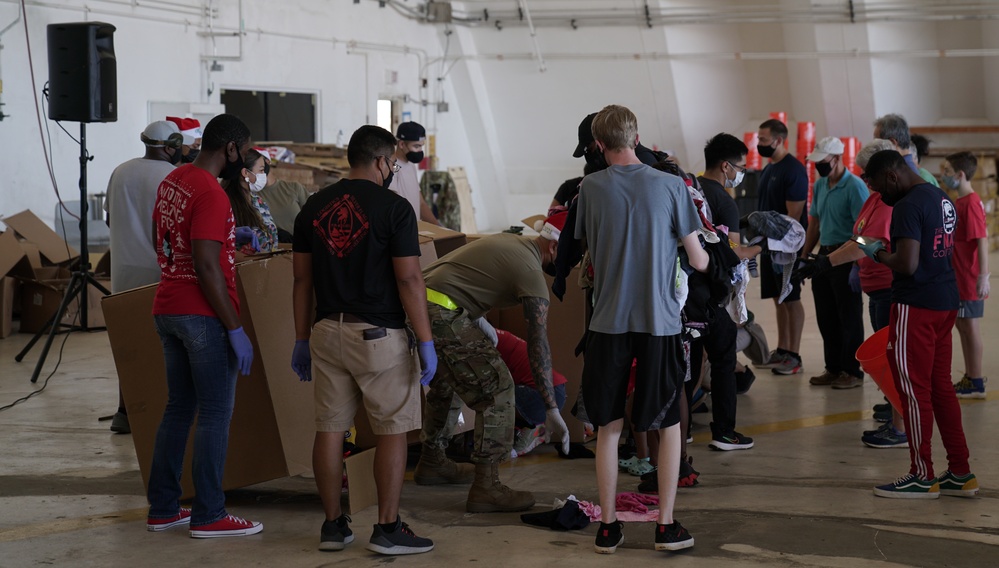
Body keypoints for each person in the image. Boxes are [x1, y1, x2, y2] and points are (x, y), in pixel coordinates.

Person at [291, 125, 436, 555]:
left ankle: (333, 526)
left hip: (325, 331)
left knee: (330, 429)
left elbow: (301, 280)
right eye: (392, 161)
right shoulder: (395, 208)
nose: (393, 167)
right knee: (393, 430)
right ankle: (388, 529)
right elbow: (409, 277)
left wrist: (301, 338)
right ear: (380, 160)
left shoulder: (312, 208)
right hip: (378, 336)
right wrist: (426, 340)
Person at [575, 105, 708, 554]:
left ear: (597, 144)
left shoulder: (589, 188)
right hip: (660, 324)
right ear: (636, 137)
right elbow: (699, 259)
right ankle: (665, 526)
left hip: (607, 323)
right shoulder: (672, 186)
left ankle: (609, 527)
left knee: (609, 428)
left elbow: (592, 250)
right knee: (667, 425)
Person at [147, 113, 263, 537]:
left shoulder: (173, 180)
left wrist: (233, 238)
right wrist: (234, 328)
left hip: (168, 307)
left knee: (179, 409)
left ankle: (163, 507)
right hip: (203, 316)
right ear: (229, 148)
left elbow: (166, 237)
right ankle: (210, 513)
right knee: (215, 413)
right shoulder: (212, 193)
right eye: (244, 150)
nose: (246, 159)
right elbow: (206, 266)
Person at [416, 218, 571, 513]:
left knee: (449, 379)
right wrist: (551, 408)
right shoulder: (530, 271)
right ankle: (487, 487)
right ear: (554, 246)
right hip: (439, 311)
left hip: (419, 303)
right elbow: (538, 344)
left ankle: (433, 460)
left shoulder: (514, 244)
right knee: (497, 388)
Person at [858, 150, 978, 499]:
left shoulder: (908, 206)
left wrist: (877, 252)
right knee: (941, 389)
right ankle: (960, 470)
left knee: (912, 391)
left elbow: (907, 264)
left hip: (916, 305)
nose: (878, 194)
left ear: (892, 176)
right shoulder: (939, 197)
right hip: (945, 301)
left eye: (878, 185)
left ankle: (921, 475)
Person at [796, 139, 908, 447]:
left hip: (885, 284)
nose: (866, 179)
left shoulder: (885, 199)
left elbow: (867, 239)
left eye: (869, 173)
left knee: (890, 355)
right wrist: (813, 257)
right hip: (867, 278)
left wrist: (829, 261)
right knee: (871, 344)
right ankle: (892, 411)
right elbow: (857, 235)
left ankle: (899, 426)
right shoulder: (873, 196)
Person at [103, 120, 183, 434]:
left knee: (128, 345)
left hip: (122, 275)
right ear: (170, 146)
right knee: (165, 348)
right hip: (159, 274)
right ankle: (157, 413)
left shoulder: (120, 171)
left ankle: (124, 413)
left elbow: (111, 220)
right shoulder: (173, 176)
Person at [695, 134, 763, 450]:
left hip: (685, 295)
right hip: (713, 295)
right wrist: (759, 247)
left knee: (689, 363)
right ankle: (724, 432)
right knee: (723, 356)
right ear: (726, 166)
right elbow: (733, 251)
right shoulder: (724, 200)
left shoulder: (690, 189)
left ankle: (679, 429)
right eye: (740, 166)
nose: (742, 172)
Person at [799, 136, 869, 389]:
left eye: (823, 161)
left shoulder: (855, 187)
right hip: (823, 257)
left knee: (848, 316)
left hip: (845, 256)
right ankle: (834, 367)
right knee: (826, 316)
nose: (819, 166)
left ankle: (852, 371)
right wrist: (805, 255)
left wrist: (855, 263)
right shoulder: (820, 185)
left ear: (838, 159)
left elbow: (862, 231)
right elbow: (814, 222)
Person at [754, 118, 808, 375]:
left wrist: (783, 246)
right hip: (768, 246)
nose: (759, 143)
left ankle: (794, 355)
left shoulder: (793, 169)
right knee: (778, 298)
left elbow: (793, 216)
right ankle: (783, 348)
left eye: (763, 139)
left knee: (792, 297)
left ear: (778, 140)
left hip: (786, 248)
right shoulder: (769, 168)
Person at [942, 152, 990, 398]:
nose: (944, 175)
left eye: (948, 171)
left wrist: (983, 275)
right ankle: (971, 376)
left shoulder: (970, 202)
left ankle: (977, 378)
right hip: (957, 276)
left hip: (968, 277)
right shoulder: (959, 202)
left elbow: (981, 239)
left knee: (970, 327)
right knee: (961, 325)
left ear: (960, 175)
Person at [492, 328, 568, 457]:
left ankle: (534, 426)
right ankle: (533, 424)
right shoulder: (498, 335)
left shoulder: (488, 340)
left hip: (545, 396)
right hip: (554, 391)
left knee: (496, 390)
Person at [221, 149, 279, 255]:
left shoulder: (258, 200)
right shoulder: (225, 202)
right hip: (243, 268)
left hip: (267, 267)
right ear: (246, 173)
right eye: (261, 170)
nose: (264, 175)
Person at [389, 121, 440, 224]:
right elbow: (393, 205)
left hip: (414, 228)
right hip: (402, 230)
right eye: (416, 146)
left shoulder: (411, 166)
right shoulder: (392, 167)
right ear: (402, 144)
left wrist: (439, 227)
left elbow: (420, 203)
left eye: (421, 146)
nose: (420, 150)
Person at [873, 114, 938, 185]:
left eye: (877, 142)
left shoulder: (905, 173)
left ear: (892, 142)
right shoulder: (901, 169)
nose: (874, 146)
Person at [258, 160, 311, 242]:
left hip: (300, 247)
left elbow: (313, 218)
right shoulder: (252, 196)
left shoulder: (294, 188)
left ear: (267, 163)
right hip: (271, 249)